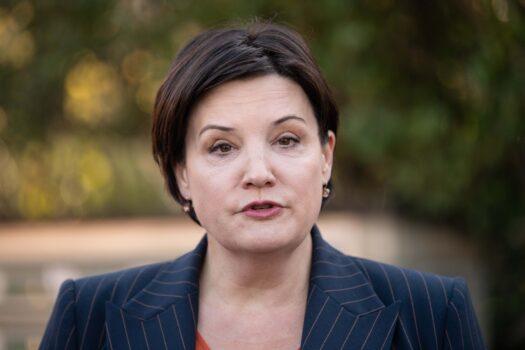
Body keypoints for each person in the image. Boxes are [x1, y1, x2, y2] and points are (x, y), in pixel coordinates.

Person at [40, 21, 486, 350]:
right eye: (221, 147)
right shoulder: (90, 315)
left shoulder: (431, 313)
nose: (258, 173)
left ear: (326, 156)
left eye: (286, 140)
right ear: (181, 173)